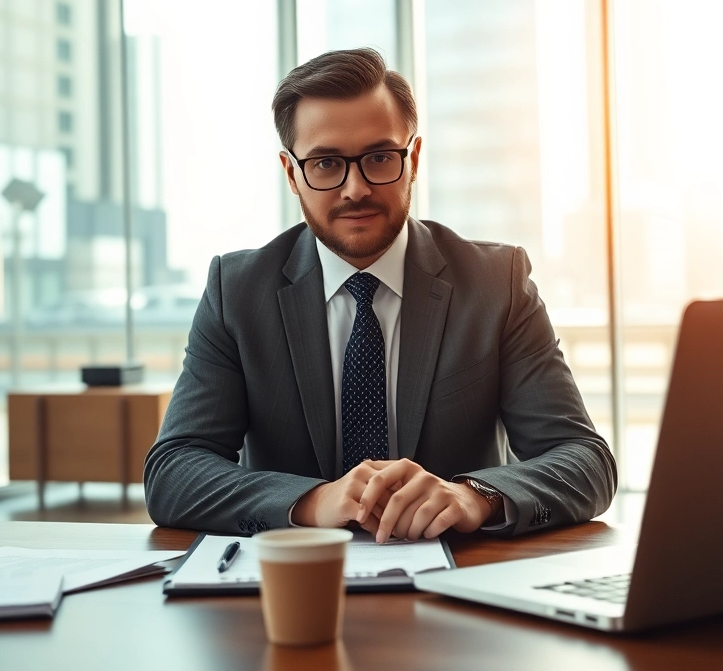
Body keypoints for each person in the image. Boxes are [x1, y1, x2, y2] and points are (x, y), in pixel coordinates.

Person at [144, 48, 616, 542]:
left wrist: (473, 495)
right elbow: (174, 471)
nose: (355, 189)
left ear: (412, 159)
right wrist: (309, 501)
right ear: (291, 173)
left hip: (458, 585)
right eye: (326, 163)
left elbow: (585, 460)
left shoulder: (496, 283)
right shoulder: (237, 292)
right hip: (292, 582)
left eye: (378, 158)